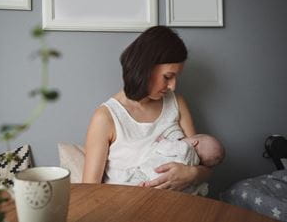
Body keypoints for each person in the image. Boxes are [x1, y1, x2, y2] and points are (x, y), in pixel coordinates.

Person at [83, 25, 218, 191]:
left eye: (176, 77)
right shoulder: (106, 118)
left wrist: (191, 174)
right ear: (146, 69)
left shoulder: (177, 103)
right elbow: (89, 189)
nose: (173, 86)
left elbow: (204, 166)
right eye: (168, 77)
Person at [125, 134, 225, 195]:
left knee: (133, 179)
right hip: (174, 192)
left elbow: (169, 147)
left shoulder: (185, 147)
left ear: (194, 143)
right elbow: (202, 187)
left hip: (153, 174)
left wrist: (162, 141)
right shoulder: (194, 163)